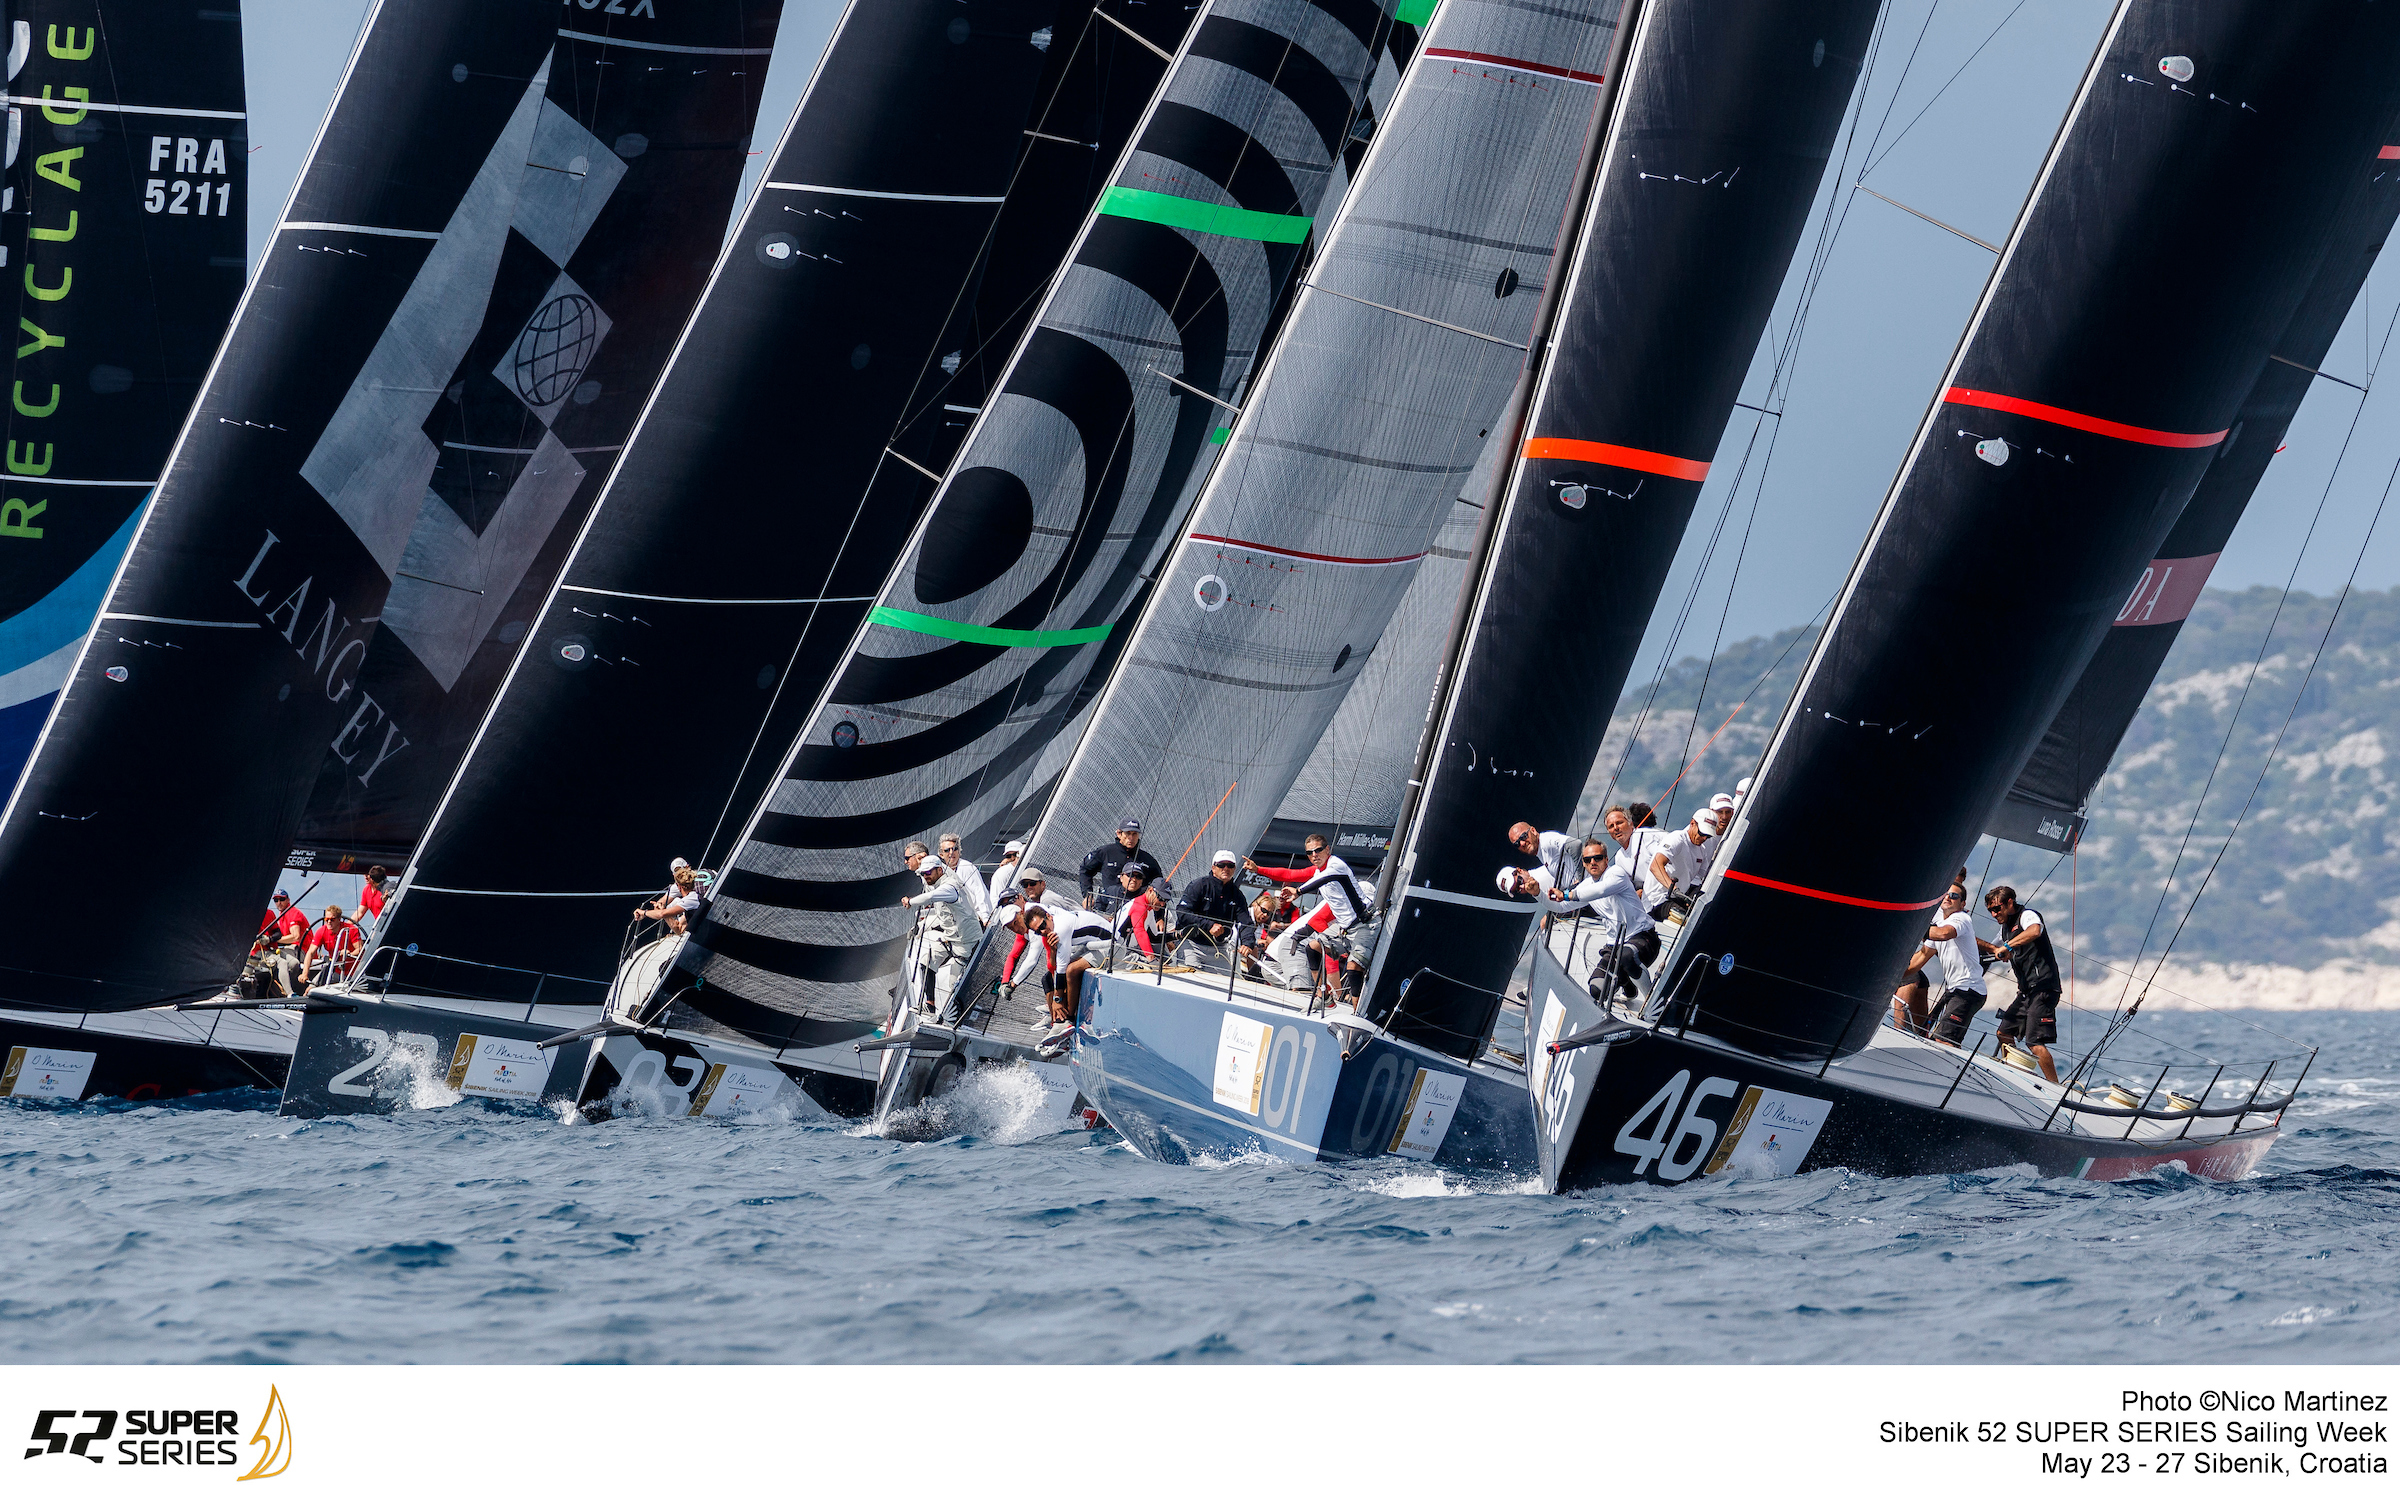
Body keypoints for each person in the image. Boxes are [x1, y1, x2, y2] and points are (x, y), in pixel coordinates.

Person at [1246, 834, 1375, 1005]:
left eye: (1318, 850)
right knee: (1304, 996)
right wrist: (1258, 870)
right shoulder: (1330, 897)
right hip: (1286, 952)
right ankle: (1327, 999)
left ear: (1327, 850)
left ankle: (1327, 999)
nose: (1314, 855)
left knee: (1319, 966)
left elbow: (1316, 879)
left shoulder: (1335, 883)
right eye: (1310, 852)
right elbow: (1290, 874)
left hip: (1278, 956)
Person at [1983, 885, 2063, 1080]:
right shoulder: (2005, 929)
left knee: (2034, 1042)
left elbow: (2035, 931)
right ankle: (2014, 1075)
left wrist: (2008, 946)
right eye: (1990, 910)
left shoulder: (2027, 916)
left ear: (2010, 902)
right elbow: (1993, 948)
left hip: (2044, 988)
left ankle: (2055, 1086)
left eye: (1997, 908)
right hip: (2027, 991)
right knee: (2003, 1033)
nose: (1994, 914)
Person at [1895, 884, 1985, 1046]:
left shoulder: (1961, 918)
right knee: (1939, 1039)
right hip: (1954, 991)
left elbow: (1945, 934)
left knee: (1943, 1041)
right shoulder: (1938, 927)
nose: (1948, 897)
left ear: (1962, 904)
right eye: (1945, 894)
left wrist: (1912, 926)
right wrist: (1893, 978)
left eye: (1954, 896)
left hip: (1968, 990)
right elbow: (1919, 959)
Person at [902, 857, 971, 1010]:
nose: (926, 876)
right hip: (950, 938)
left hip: (965, 941)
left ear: (939, 870)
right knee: (926, 962)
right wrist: (922, 926)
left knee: (954, 984)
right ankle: (930, 1006)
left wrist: (910, 901)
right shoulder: (935, 885)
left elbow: (930, 897)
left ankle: (959, 1016)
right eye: (923, 873)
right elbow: (942, 916)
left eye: (928, 872)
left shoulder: (949, 887)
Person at [1176, 850, 1249, 967]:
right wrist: (1209, 925)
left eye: (1230, 865)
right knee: (1189, 974)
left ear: (1234, 869)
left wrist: (1247, 943)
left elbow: (1246, 922)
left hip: (1219, 948)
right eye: (1221, 865)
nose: (1226, 868)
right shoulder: (1199, 885)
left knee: (1227, 979)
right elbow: (1182, 913)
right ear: (1213, 868)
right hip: (1192, 944)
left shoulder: (1237, 895)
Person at [1646, 809, 1718, 919]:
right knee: (1686, 918)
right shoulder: (1676, 839)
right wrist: (1675, 890)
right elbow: (1655, 865)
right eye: (1702, 833)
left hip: (1678, 899)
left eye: (1708, 836)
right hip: (1657, 901)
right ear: (1692, 823)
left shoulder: (1702, 851)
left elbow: (1701, 879)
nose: (1704, 838)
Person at [1080, 819, 1164, 912]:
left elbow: (1160, 887)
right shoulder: (1105, 852)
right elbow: (1085, 869)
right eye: (1128, 833)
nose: (1131, 838)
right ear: (1119, 834)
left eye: (1134, 834)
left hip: (1137, 910)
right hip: (1108, 907)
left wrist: (1159, 915)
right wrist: (1088, 895)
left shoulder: (1148, 860)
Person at [255, 890, 309, 995]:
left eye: (282, 899)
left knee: (293, 963)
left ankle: (285, 989)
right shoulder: (281, 914)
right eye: (276, 900)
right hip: (262, 951)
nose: (279, 902)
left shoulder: (290, 913)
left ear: (288, 900)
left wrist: (270, 939)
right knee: (284, 963)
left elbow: (295, 936)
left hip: (297, 949)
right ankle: (288, 992)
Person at [1112, 863, 1166, 962]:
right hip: (1115, 952)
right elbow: (1139, 931)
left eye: (1165, 901)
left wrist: (1178, 935)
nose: (1162, 904)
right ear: (1150, 891)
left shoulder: (1149, 908)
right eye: (1161, 899)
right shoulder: (1139, 906)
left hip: (1127, 951)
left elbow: (1154, 937)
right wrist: (1151, 959)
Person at [301, 904, 363, 986]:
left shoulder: (351, 930)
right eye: (326, 919)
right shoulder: (321, 931)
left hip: (353, 972)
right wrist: (305, 973)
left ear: (339, 919)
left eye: (332, 919)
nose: (329, 922)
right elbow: (310, 952)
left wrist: (349, 954)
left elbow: (360, 950)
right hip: (335, 969)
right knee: (311, 988)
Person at [937, 834, 991, 926]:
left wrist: (986, 917)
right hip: (956, 920)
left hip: (974, 920)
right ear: (941, 854)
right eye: (947, 850)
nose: (951, 853)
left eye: (955, 849)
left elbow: (979, 891)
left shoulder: (966, 867)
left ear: (959, 851)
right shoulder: (942, 870)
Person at [636, 866, 703, 934]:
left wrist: (644, 912)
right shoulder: (695, 896)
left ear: (679, 887)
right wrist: (663, 911)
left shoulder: (690, 900)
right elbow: (678, 928)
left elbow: (661, 914)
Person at [988, 840, 1032, 906]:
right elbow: (995, 898)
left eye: (1015, 854)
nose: (1012, 858)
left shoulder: (1031, 869)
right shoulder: (1002, 872)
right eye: (1008, 856)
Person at [357, 864, 390, 928]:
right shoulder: (366, 890)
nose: (366, 877)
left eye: (368, 874)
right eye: (364, 874)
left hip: (390, 924)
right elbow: (360, 912)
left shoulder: (386, 888)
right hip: (380, 927)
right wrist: (346, 925)